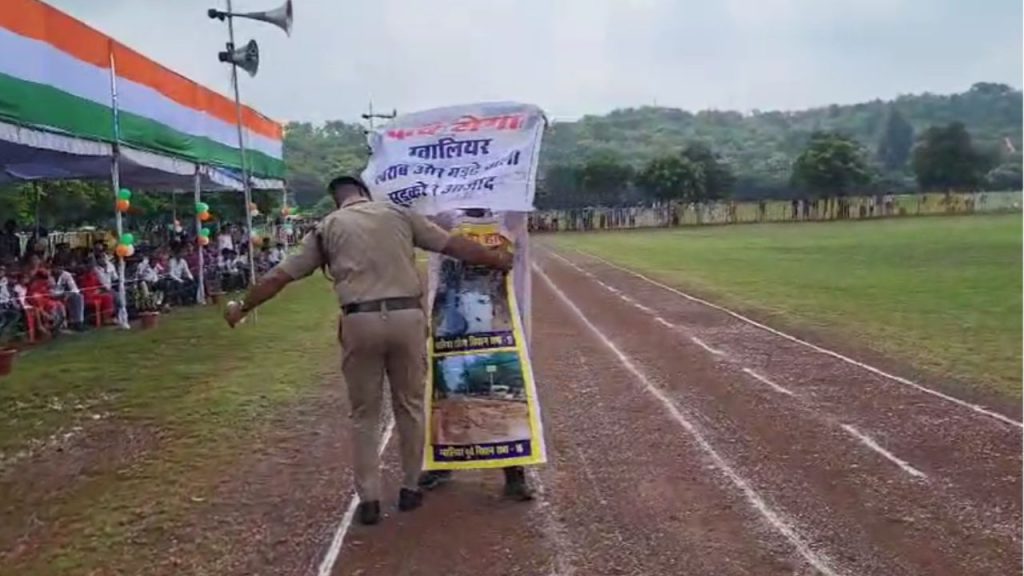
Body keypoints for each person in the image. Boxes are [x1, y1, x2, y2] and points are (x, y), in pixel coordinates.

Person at [223, 175, 512, 526]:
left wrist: (242, 307)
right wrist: (496, 259)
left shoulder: (328, 227)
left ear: (337, 200)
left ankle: (370, 500)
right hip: (406, 316)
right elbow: (453, 245)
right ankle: (410, 488)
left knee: (364, 414)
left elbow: (279, 277)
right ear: (364, 193)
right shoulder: (398, 213)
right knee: (409, 405)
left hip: (359, 320)